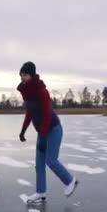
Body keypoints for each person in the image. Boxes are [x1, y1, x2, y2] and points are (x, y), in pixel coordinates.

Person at [17, 61, 78, 203]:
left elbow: (47, 114)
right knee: (39, 164)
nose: (22, 78)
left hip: (53, 129)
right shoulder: (27, 93)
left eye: (25, 75)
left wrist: (44, 133)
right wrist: (23, 131)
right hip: (42, 132)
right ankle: (40, 192)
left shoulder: (42, 91)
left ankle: (70, 181)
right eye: (21, 75)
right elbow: (29, 113)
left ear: (31, 75)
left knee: (51, 160)